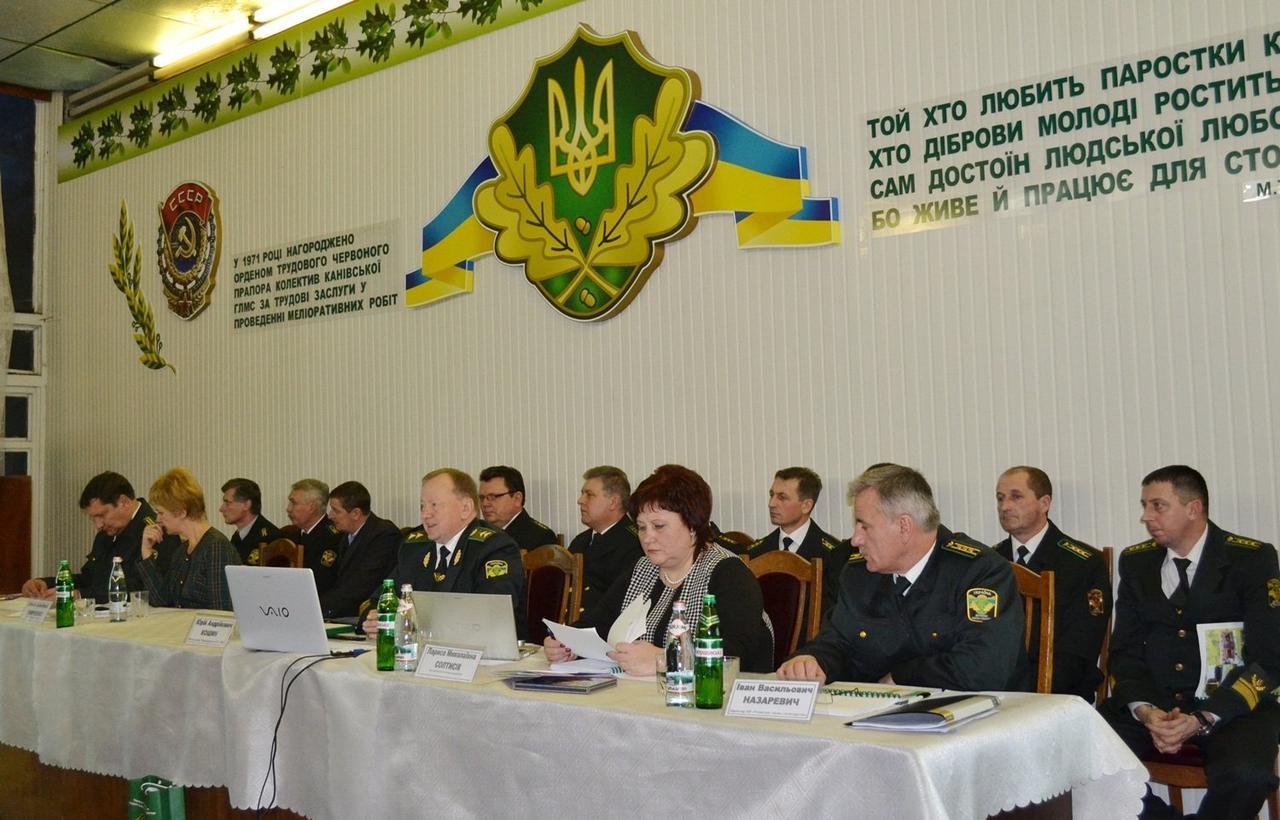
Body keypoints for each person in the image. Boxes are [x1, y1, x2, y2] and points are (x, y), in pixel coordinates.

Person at [1104, 465, 1280, 820]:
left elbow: (1269, 659)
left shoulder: (1250, 559)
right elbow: (1124, 651)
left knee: (1248, 776)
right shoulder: (1137, 562)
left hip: (1231, 706)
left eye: (1157, 506)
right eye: (1145, 505)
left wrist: (1203, 717)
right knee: (1081, 761)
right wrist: (1146, 711)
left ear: (1193, 508)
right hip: (1156, 704)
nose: (1146, 516)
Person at [779, 464, 1027, 690]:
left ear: (904, 527)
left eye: (864, 526)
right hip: (879, 716)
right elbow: (838, 641)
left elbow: (982, 668)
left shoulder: (980, 572)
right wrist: (814, 659)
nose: (855, 540)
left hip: (978, 717)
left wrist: (903, 677)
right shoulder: (858, 573)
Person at [545, 464, 774, 674]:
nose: (647, 538)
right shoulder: (642, 568)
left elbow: (736, 654)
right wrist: (567, 644)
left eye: (659, 526)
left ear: (692, 525)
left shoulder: (728, 572)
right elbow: (598, 623)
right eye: (642, 527)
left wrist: (665, 659)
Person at [992, 466, 1111, 701]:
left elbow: (1080, 647)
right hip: (996, 692)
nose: (1005, 506)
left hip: (1057, 694)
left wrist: (1026, 692)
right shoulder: (989, 563)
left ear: (1044, 503)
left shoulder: (1082, 563)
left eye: (1016, 497)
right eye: (1000, 498)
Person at [362, 469, 526, 637]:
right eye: (422, 506)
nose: (425, 515)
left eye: (434, 505)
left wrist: (409, 620)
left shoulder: (494, 547)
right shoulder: (414, 547)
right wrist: (377, 618)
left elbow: (491, 615)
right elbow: (376, 600)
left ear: (466, 508)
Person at [21, 471, 178, 602]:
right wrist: (46, 583)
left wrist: (80, 595)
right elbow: (91, 578)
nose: (98, 525)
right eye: (93, 518)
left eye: (101, 515)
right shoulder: (108, 532)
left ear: (124, 502)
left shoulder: (157, 531)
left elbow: (142, 588)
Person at [747, 467, 851, 617]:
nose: (771, 503)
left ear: (806, 506)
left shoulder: (832, 554)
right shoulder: (756, 552)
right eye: (772, 495)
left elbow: (833, 614)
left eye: (782, 497)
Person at [135, 467, 241, 610]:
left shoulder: (216, 547)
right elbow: (161, 600)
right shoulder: (182, 551)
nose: (157, 519)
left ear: (181, 512)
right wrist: (146, 551)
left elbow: (221, 612)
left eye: (161, 513)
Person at [320, 481, 401, 620]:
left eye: (336, 511)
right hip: (341, 610)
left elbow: (362, 585)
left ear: (356, 513)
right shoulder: (345, 535)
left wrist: (319, 608)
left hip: (364, 615)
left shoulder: (384, 535)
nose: (330, 515)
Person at [568, 466, 642, 617]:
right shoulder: (580, 541)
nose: (580, 501)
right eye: (582, 494)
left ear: (613, 502)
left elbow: (623, 606)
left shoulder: (634, 544)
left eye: (589, 495)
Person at [285, 478, 343, 595]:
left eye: (294, 503)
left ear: (311, 507)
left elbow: (322, 582)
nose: (288, 509)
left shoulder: (334, 538)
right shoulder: (288, 536)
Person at [478, 465, 557, 550]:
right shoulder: (477, 534)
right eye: (482, 498)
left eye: (493, 497)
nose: (485, 504)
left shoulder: (541, 537)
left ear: (517, 499)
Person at [219, 478, 280, 566]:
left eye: (227, 503)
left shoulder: (270, 538)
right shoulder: (237, 537)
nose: (221, 509)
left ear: (246, 505)